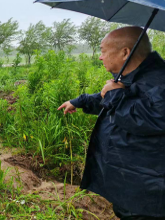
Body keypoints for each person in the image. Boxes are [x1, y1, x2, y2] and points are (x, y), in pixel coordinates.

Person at [58, 27, 165, 219]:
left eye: (103, 50)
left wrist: (115, 94)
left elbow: (151, 119)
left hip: (147, 191)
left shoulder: (158, 80)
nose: (100, 57)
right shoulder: (138, 76)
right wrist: (80, 101)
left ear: (125, 52)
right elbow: (115, 100)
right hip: (132, 181)